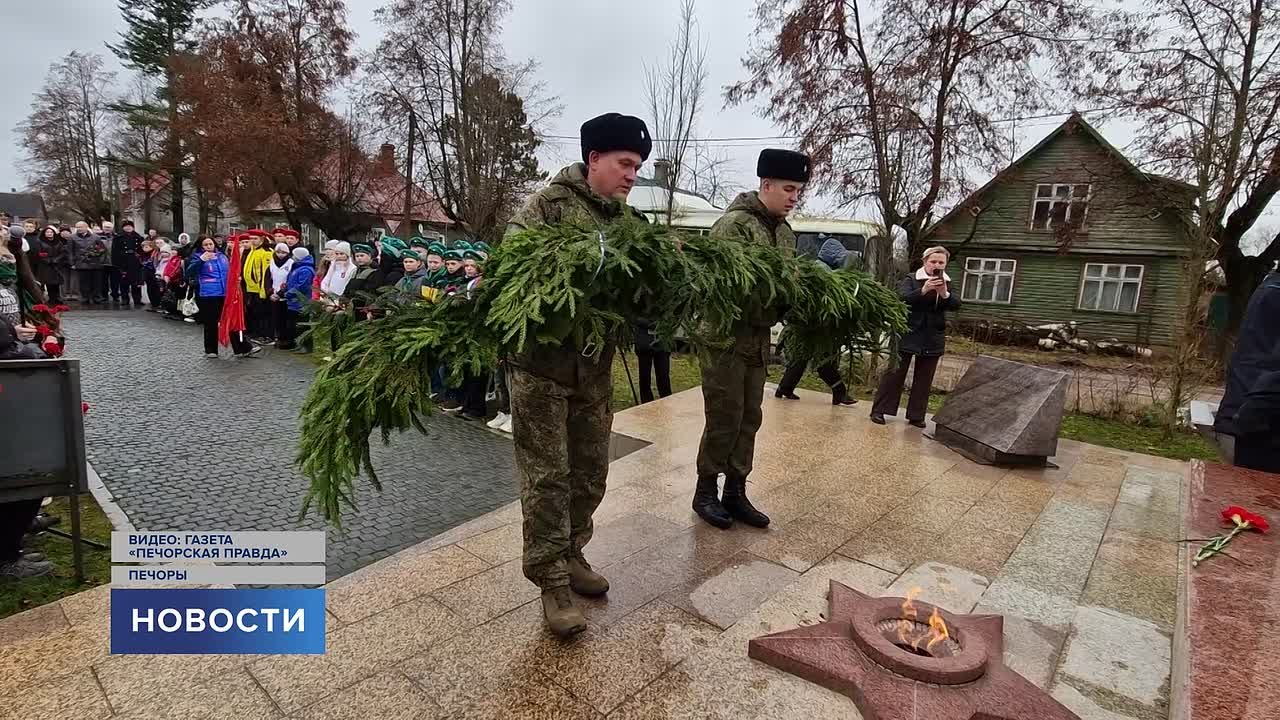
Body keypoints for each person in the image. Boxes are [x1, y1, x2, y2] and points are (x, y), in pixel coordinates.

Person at [504, 112, 652, 636]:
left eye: (638, 167)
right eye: (625, 163)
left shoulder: (631, 225)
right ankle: (551, 582)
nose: (632, 175)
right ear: (594, 159)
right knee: (548, 477)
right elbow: (514, 274)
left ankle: (571, 552)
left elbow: (641, 294)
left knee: (591, 472)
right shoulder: (546, 207)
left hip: (594, 370)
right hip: (541, 371)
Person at [692, 149, 807, 531]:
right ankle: (705, 491)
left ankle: (735, 491)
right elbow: (721, 286)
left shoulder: (785, 233)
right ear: (766, 184)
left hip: (757, 340)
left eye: (798, 191)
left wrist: (794, 300)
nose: (794, 197)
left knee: (749, 418)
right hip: (725, 338)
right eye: (788, 189)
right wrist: (775, 293)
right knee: (724, 417)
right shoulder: (734, 226)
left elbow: (786, 283)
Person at [870, 246, 961, 427]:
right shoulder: (911, 279)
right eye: (933, 261)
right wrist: (923, 290)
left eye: (941, 262)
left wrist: (944, 294)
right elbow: (901, 299)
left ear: (945, 264)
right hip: (908, 332)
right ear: (925, 261)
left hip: (933, 335)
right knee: (894, 374)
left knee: (924, 378)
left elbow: (956, 304)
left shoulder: (948, 282)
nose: (936, 265)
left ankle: (916, 415)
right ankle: (879, 410)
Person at [774, 236, 858, 406]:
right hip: (812, 324)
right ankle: (840, 392)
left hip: (809, 324)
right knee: (821, 359)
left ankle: (784, 388)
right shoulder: (822, 272)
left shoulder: (821, 269)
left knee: (802, 357)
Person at [187, 235, 256, 358]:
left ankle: (242, 348)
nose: (209, 247)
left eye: (210, 244)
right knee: (211, 323)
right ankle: (211, 350)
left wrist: (236, 279)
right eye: (206, 245)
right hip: (208, 294)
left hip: (225, 293)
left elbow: (230, 271)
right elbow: (189, 272)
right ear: (201, 246)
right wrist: (201, 260)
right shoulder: (197, 257)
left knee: (231, 320)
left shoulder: (222, 256)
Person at [242, 230, 275, 340]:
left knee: (263, 314)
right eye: (251, 238)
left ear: (262, 239)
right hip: (250, 288)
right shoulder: (252, 250)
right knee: (253, 313)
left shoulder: (266, 252)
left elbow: (266, 273)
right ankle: (255, 333)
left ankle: (265, 335)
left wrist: (264, 290)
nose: (252, 241)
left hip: (260, 289)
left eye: (255, 238)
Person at [281, 247, 315, 351]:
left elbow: (302, 286)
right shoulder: (296, 267)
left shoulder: (306, 270)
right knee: (293, 325)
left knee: (302, 325)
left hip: (301, 302)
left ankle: (306, 346)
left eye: (294, 255)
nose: (293, 257)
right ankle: (297, 344)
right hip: (293, 302)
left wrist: (289, 293)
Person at [632, 318, 672, 404]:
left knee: (663, 375)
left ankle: (667, 402)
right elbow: (634, 317)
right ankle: (646, 403)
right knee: (645, 377)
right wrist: (652, 324)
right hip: (644, 341)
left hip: (663, 342)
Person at [343, 242, 386, 318]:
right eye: (357, 256)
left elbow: (372, 293)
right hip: (352, 308)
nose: (359, 258)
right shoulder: (355, 272)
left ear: (369, 256)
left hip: (364, 309)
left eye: (362, 255)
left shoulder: (375, 272)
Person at [71, 221, 110, 304]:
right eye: (77, 227)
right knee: (83, 282)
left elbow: (102, 249)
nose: (79, 229)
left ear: (86, 227)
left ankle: (97, 298)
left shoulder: (95, 237)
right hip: (81, 263)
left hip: (95, 263)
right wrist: (72, 263)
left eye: (81, 227)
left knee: (96, 282)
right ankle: (85, 297)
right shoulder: (72, 238)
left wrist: (98, 256)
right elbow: (70, 251)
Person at [32, 225, 71, 305]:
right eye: (47, 232)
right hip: (45, 266)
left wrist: (56, 260)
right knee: (48, 283)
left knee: (56, 283)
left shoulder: (58, 242)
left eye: (51, 232)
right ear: (44, 233)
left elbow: (63, 252)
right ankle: (51, 298)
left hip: (56, 266)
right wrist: (48, 260)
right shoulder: (40, 242)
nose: (49, 233)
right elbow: (39, 253)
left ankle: (57, 298)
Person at [111, 219, 145, 307]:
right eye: (126, 226)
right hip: (123, 262)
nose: (128, 228)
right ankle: (125, 299)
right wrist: (116, 263)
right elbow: (114, 252)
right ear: (123, 228)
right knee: (124, 282)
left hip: (135, 262)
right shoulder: (118, 238)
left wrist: (141, 259)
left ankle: (137, 299)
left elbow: (142, 250)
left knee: (136, 282)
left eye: (130, 226)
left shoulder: (139, 237)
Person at [267, 242, 294, 343]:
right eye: (278, 252)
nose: (280, 255)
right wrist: (270, 292)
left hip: (285, 295)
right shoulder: (271, 262)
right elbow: (268, 279)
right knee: (276, 318)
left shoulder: (291, 263)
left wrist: (280, 293)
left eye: (283, 252)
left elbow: (290, 280)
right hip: (274, 294)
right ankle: (278, 337)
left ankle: (285, 339)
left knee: (285, 319)